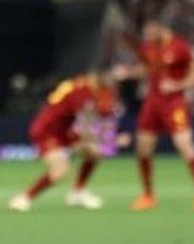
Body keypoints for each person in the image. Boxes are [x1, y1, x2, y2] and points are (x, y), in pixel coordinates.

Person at [124, 20, 194, 211]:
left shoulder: (180, 47)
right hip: (152, 102)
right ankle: (148, 195)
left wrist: (177, 85)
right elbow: (146, 68)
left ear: (161, 29)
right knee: (143, 148)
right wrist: (128, 73)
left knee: (184, 144)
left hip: (174, 103)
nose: (147, 38)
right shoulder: (149, 47)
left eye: (150, 34)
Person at [8, 71, 118, 212]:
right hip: (48, 131)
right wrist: (107, 139)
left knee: (94, 152)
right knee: (59, 171)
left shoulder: (86, 87)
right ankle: (24, 198)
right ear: (98, 77)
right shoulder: (82, 90)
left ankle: (78, 193)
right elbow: (86, 123)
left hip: (65, 130)